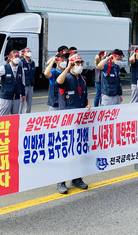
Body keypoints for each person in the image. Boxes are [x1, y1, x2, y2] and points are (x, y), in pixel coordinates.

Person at [55, 55, 90, 193]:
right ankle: (61, 181)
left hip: (80, 119)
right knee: (66, 151)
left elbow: (84, 95)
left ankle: (76, 178)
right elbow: (58, 82)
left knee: (78, 150)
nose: (80, 64)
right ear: (71, 64)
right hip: (67, 120)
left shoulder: (83, 79)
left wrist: (87, 104)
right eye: (77, 62)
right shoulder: (66, 77)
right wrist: (68, 69)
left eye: (81, 62)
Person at [0, 50, 25, 116]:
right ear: (10, 58)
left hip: (16, 97)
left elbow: (22, 83)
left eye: (18, 57)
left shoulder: (20, 69)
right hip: (6, 97)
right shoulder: (4, 67)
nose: (17, 58)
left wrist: (23, 94)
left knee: (15, 117)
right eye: (15, 57)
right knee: (3, 117)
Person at [20, 48, 36, 113]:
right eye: (27, 51)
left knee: (29, 104)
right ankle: (19, 116)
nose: (29, 53)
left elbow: (33, 73)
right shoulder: (21, 62)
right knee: (21, 103)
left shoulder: (32, 63)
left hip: (31, 85)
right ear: (23, 53)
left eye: (30, 51)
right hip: (24, 85)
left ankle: (27, 115)